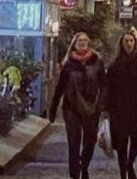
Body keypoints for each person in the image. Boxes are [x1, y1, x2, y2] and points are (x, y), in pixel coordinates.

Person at [49, 32, 106, 179]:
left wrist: (102, 105)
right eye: (79, 41)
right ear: (74, 44)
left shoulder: (96, 61)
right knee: (73, 143)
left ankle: (84, 166)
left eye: (85, 40)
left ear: (89, 43)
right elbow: (60, 87)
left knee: (90, 142)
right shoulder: (69, 63)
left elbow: (104, 85)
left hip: (92, 107)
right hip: (71, 108)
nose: (82, 43)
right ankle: (74, 173)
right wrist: (53, 107)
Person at [106, 32, 137, 179]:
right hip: (119, 109)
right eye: (126, 41)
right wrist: (108, 107)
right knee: (121, 142)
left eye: (131, 40)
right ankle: (123, 173)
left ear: (135, 42)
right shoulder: (115, 63)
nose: (129, 43)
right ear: (121, 43)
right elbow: (109, 86)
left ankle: (129, 163)